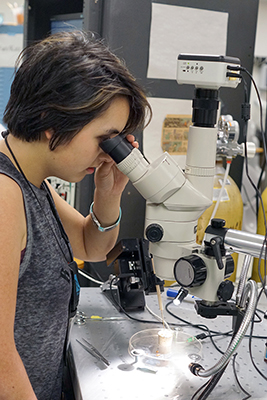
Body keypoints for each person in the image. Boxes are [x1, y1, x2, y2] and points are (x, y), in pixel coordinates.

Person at [0, 30, 151, 400]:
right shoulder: (3, 195)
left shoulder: (29, 179)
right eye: (105, 139)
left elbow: (90, 245)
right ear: (52, 119)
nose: (108, 153)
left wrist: (108, 192)